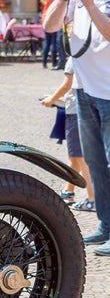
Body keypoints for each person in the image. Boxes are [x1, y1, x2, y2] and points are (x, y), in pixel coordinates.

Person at [42, 0, 110, 252]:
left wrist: (93, 4)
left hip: (109, 93)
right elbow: (50, 25)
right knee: (95, 163)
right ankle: (105, 225)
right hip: (84, 91)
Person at [41, 60, 93, 211]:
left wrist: (51, 99)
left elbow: (67, 84)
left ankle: (93, 198)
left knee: (80, 156)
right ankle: (68, 191)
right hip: (88, 108)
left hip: (75, 111)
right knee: (75, 156)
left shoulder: (75, 56)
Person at [39, 0, 64, 70]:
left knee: (47, 42)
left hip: (44, 18)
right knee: (54, 42)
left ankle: (44, 62)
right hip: (52, 18)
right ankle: (54, 62)